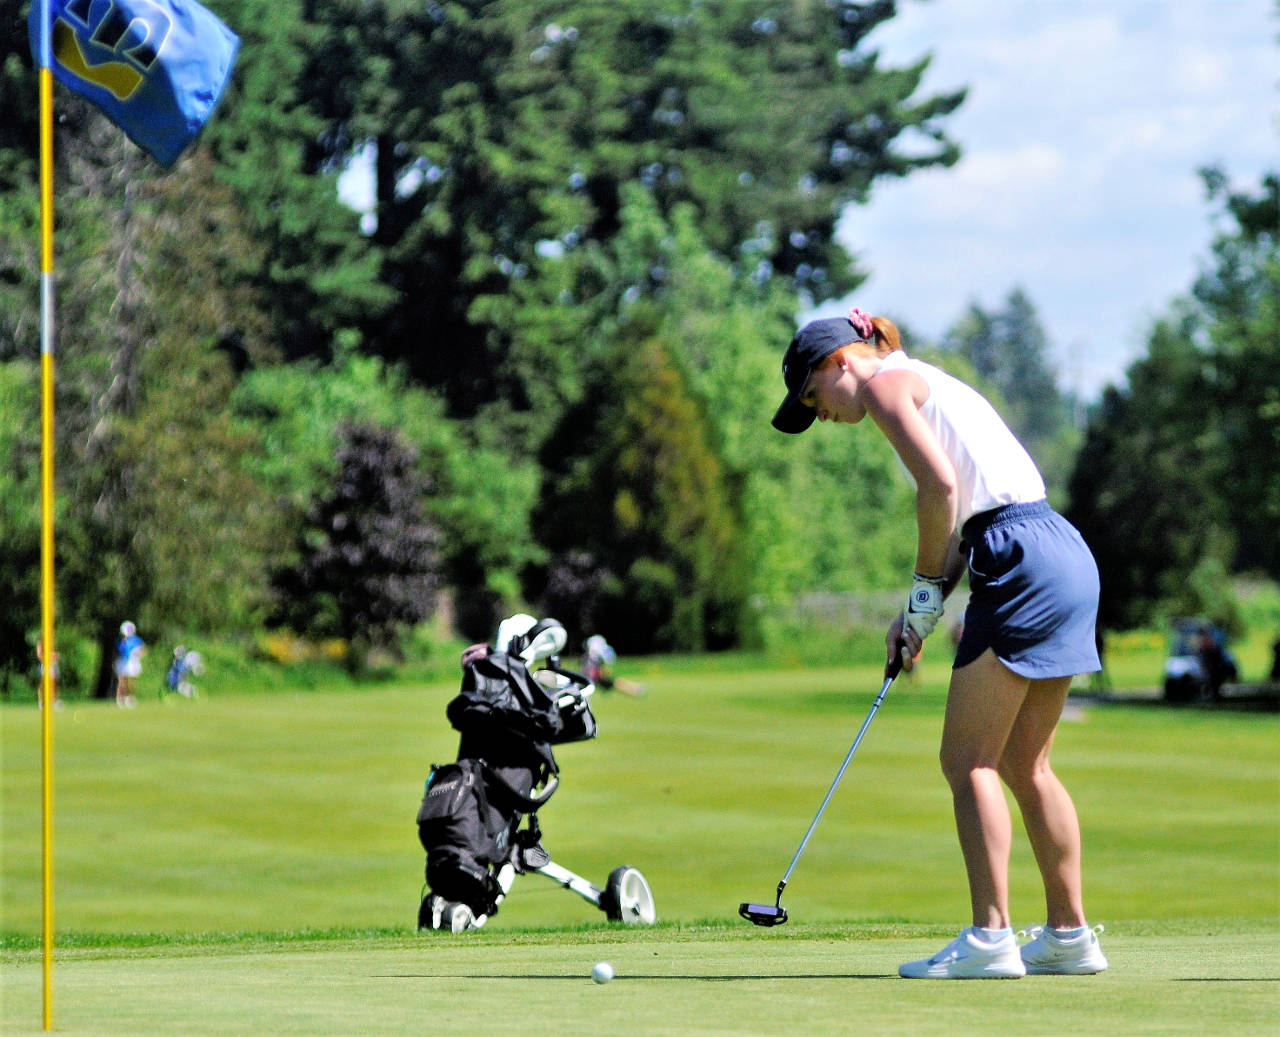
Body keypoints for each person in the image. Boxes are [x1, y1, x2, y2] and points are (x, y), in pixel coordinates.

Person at [772, 308, 1107, 979]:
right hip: (1060, 550)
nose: (823, 413)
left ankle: (990, 937)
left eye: (814, 394)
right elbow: (964, 515)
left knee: (968, 762)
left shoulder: (884, 385)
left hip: (1016, 557)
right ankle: (1069, 934)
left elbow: (940, 489)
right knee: (1025, 764)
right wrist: (920, 608)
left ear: (842, 360)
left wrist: (926, 584)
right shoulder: (925, 379)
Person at [114, 621, 145, 708]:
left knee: (130, 681)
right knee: (121, 681)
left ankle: (130, 698)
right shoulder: (120, 641)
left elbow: (143, 649)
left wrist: (138, 654)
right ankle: (120, 699)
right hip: (122, 661)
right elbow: (118, 652)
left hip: (132, 662)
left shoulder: (136, 640)